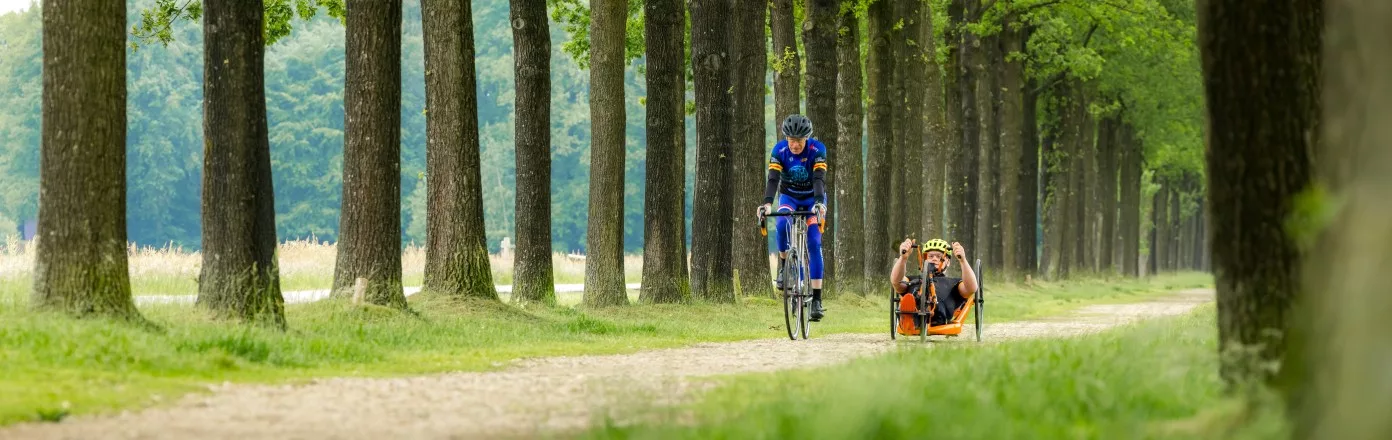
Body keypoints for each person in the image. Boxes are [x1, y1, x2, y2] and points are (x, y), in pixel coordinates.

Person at [756, 114, 829, 321]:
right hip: (789, 196)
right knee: (781, 225)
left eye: (799, 140)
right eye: (791, 140)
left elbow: (818, 178)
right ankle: (783, 266)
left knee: (814, 242)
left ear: (807, 138)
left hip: (812, 198)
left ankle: (816, 299)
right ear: (786, 138)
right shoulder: (779, 151)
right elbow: (773, 179)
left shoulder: (817, 150)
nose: (795, 145)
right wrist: (768, 203)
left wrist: (818, 203)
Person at [890, 238, 978, 333]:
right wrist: (903, 258)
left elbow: (972, 288)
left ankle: (916, 316)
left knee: (938, 306)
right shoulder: (912, 280)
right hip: (915, 306)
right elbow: (896, 281)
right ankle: (910, 317)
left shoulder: (954, 283)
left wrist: (963, 260)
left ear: (947, 262)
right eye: (930, 256)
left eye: (939, 256)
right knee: (912, 292)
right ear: (924, 259)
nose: (934, 259)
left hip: (940, 313)